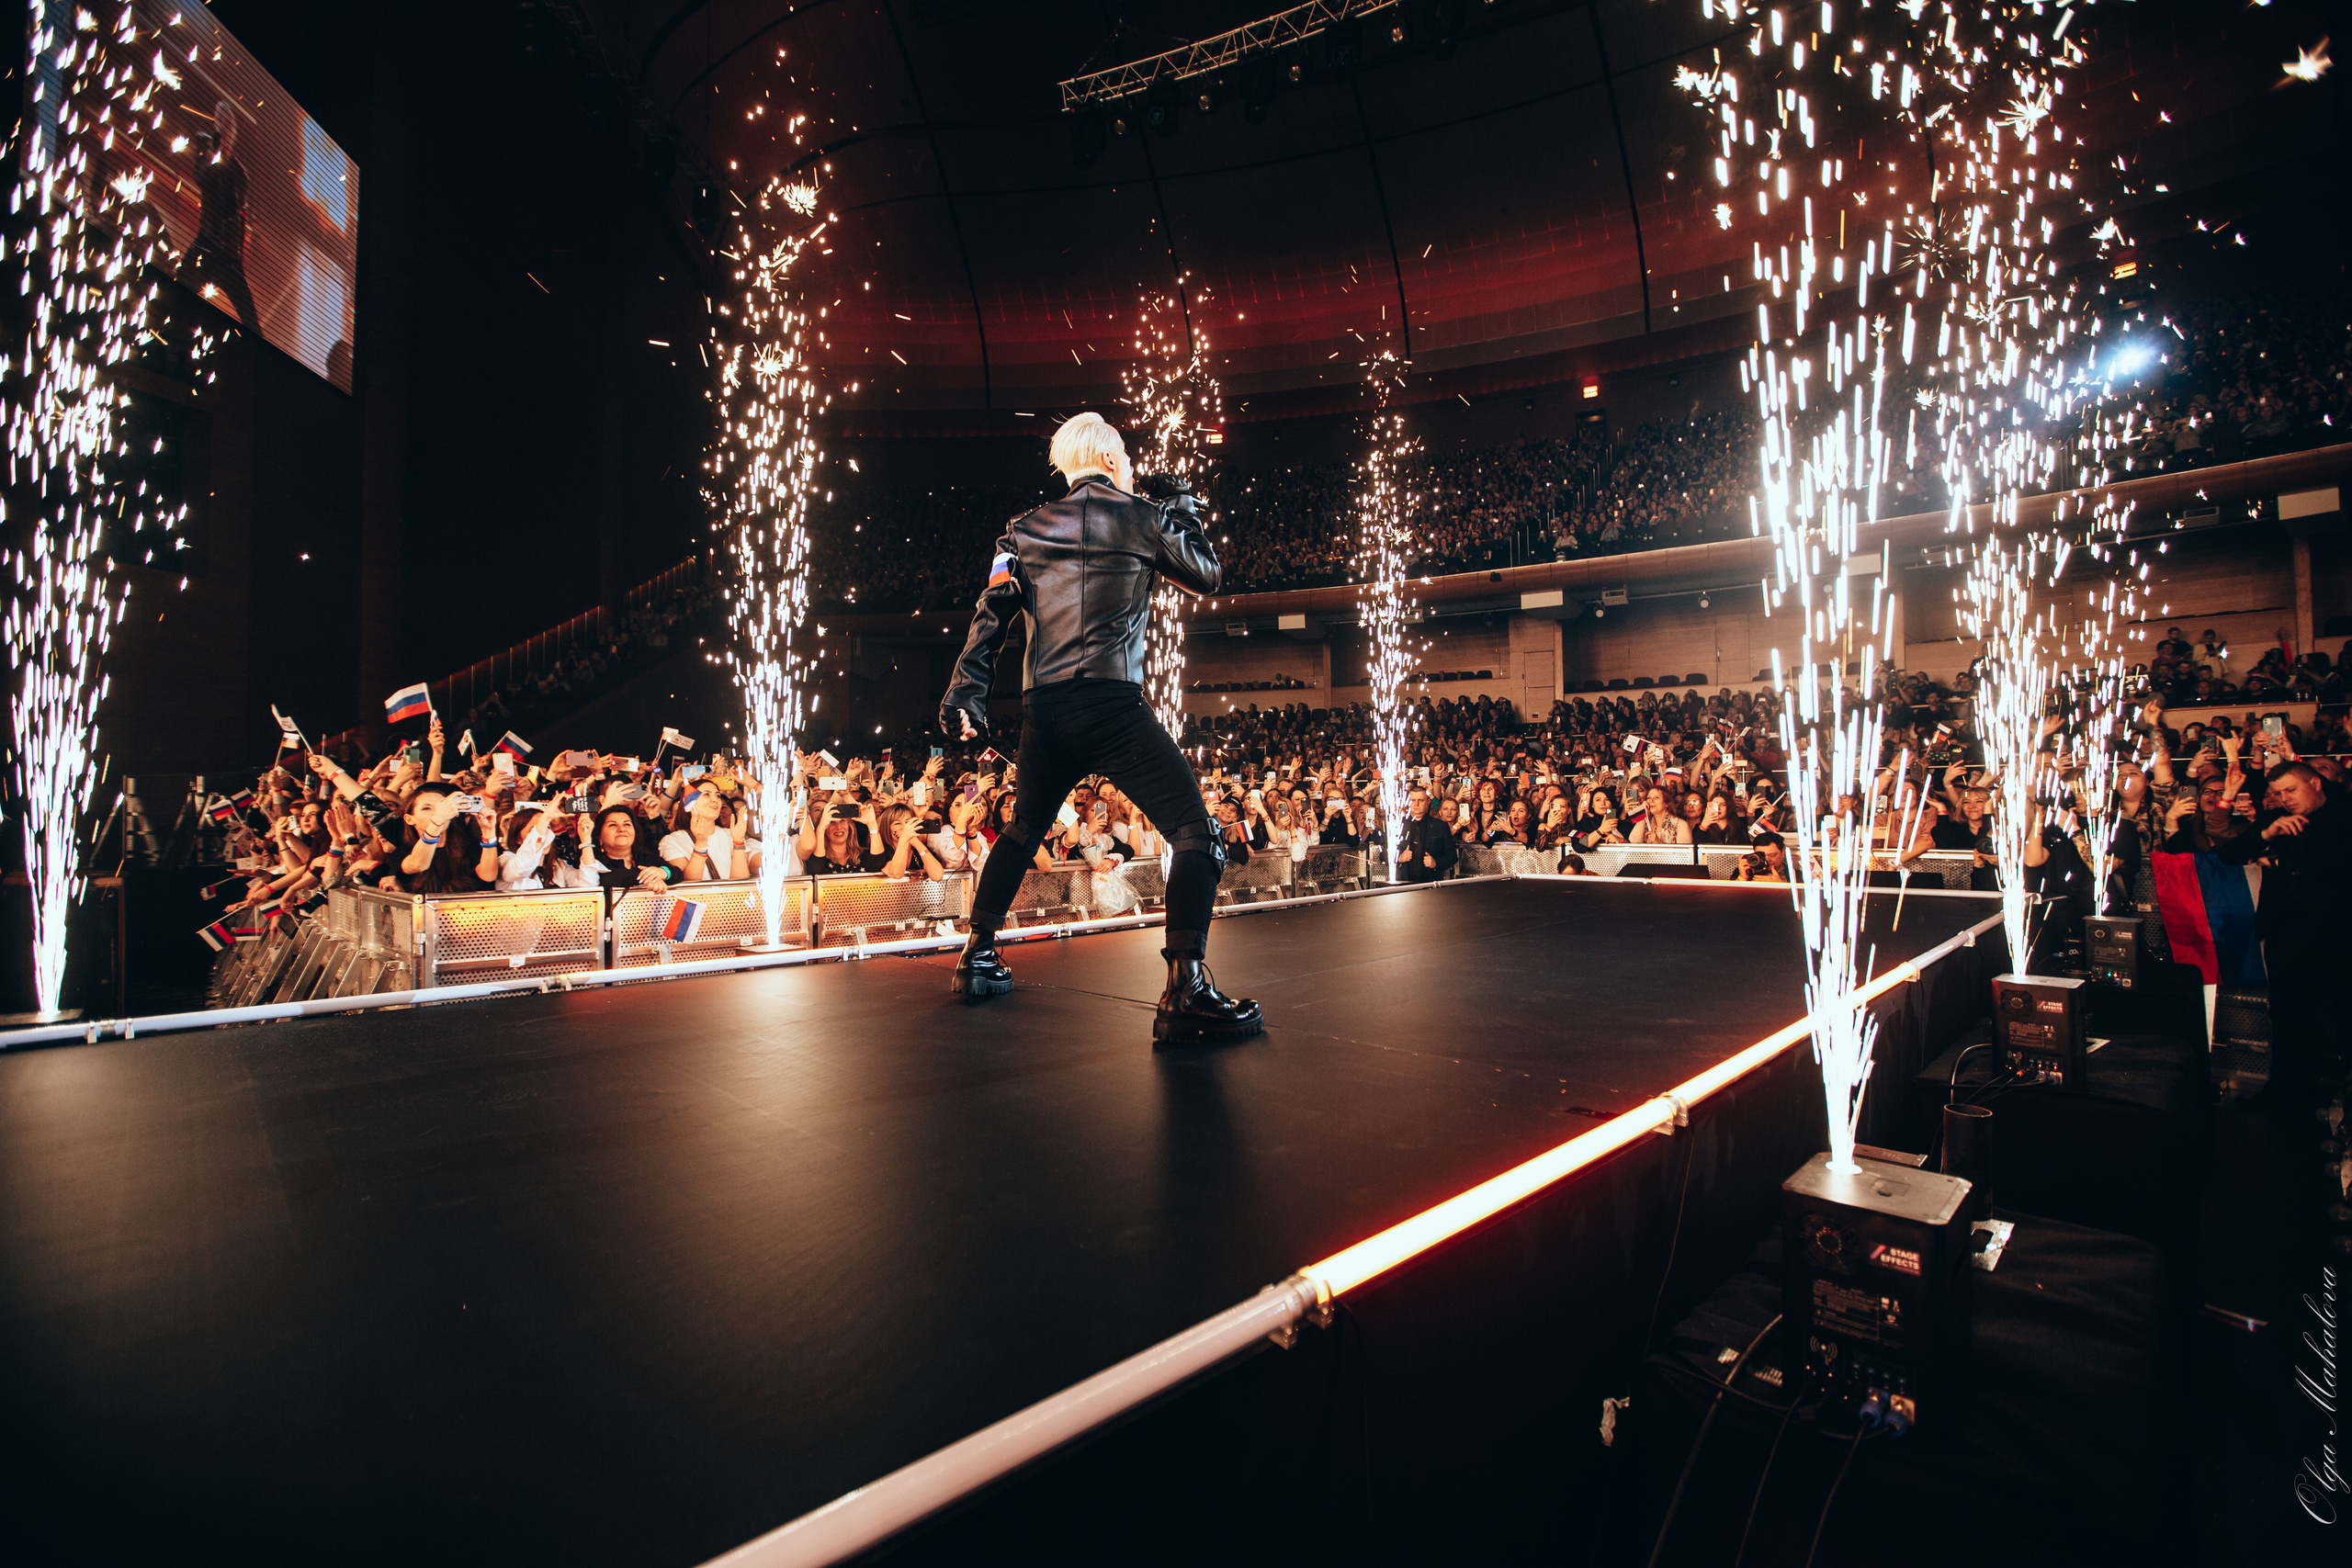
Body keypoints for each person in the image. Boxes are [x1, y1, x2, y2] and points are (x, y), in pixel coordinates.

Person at [939, 412, 1261, 1044]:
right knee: (1197, 834)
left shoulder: (1021, 532)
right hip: (1111, 704)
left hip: (1046, 710)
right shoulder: (1141, 515)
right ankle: (1185, 987)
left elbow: (989, 618)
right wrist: (1185, 506)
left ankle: (977, 953)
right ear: (1115, 461)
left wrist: (966, 690)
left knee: (1023, 826)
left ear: (1065, 464)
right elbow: (1207, 573)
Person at [1396, 784, 1457, 883]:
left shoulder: (1440, 826)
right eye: (1413, 800)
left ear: (1428, 802)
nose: (1416, 804)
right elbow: (1383, 855)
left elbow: (1452, 856)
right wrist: (1399, 857)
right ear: (1407, 802)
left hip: (1432, 883)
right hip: (1403, 883)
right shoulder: (1397, 825)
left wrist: (1436, 863)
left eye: (1421, 800)